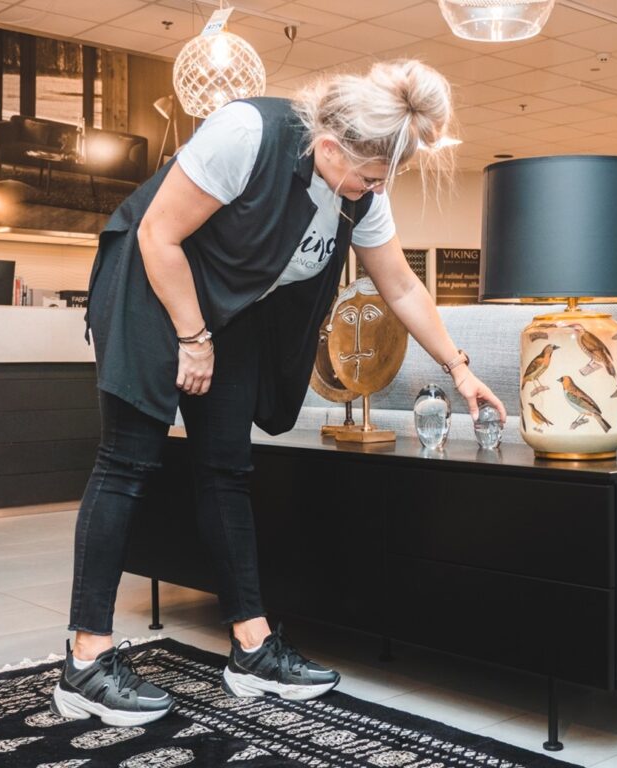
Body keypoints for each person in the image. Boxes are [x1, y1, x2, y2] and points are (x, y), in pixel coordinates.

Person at [51, 59, 507, 726]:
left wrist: (460, 368)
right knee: (127, 464)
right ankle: (85, 662)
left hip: (231, 312)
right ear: (330, 148)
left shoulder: (359, 192)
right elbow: (158, 234)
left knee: (227, 469)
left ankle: (252, 649)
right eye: (371, 177)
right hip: (150, 285)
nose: (375, 191)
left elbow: (402, 286)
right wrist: (192, 337)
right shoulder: (246, 134)